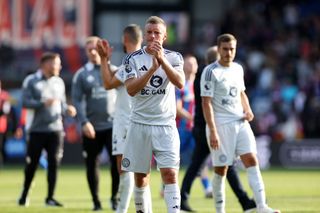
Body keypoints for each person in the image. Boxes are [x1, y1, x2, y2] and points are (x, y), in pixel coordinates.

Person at [201, 33, 280, 213]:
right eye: (225, 49)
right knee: (221, 170)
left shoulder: (238, 68)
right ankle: (220, 210)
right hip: (221, 125)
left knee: (252, 160)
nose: (229, 53)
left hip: (240, 122)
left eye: (232, 49)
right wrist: (212, 130)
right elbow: (206, 103)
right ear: (219, 49)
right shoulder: (210, 71)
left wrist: (248, 109)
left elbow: (242, 93)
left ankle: (261, 206)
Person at [180, 46, 257, 212]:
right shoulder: (209, 75)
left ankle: (182, 197)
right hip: (210, 127)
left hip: (201, 127)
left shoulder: (201, 76)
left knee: (200, 165)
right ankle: (243, 201)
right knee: (226, 166)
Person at [121, 16, 185, 213]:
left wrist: (162, 61)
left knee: (170, 174)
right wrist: (151, 70)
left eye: (157, 32)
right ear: (145, 34)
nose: (152, 36)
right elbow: (131, 89)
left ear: (164, 36)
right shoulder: (132, 58)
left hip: (165, 125)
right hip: (139, 123)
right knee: (141, 177)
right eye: (149, 32)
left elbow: (180, 82)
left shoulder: (174, 57)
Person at [18, 52, 77, 207]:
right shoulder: (31, 81)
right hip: (36, 129)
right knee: (32, 164)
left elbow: (62, 103)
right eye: (57, 63)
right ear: (46, 64)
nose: (60, 66)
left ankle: (50, 197)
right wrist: (42, 103)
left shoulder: (59, 82)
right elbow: (24, 102)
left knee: (54, 164)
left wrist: (68, 109)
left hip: (56, 129)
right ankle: (25, 193)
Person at [96, 24, 143, 213]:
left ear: (125, 39)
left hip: (125, 123)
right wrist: (106, 61)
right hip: (142, 121)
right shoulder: (146, 60)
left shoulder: (130, 62)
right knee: (141, 174)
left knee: (125, 171)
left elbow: (107, 83)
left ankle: (121, 210)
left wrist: (103, 59)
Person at [71, 36, 119, 211]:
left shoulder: (114, 70)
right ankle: (96, 202)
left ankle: (115, 198)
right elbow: (77, 100)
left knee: (117, 164)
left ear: (102, 48)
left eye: (95, 48)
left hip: (113, 125)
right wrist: (84, 122)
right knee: (91, 165)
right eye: (89, 49)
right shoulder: (81, 74)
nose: (92, 52)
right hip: (91, 127)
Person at [176, 55, 213, 197]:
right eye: (188, 63)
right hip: (182, 129)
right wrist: (193, 117)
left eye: (194, 63)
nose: (191, 66)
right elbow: (177, 108)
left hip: (195, 130)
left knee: (200, 160)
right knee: (173, 159)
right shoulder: (180, 85)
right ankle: (165, 187)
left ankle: (207, 188)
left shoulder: (199, 85)